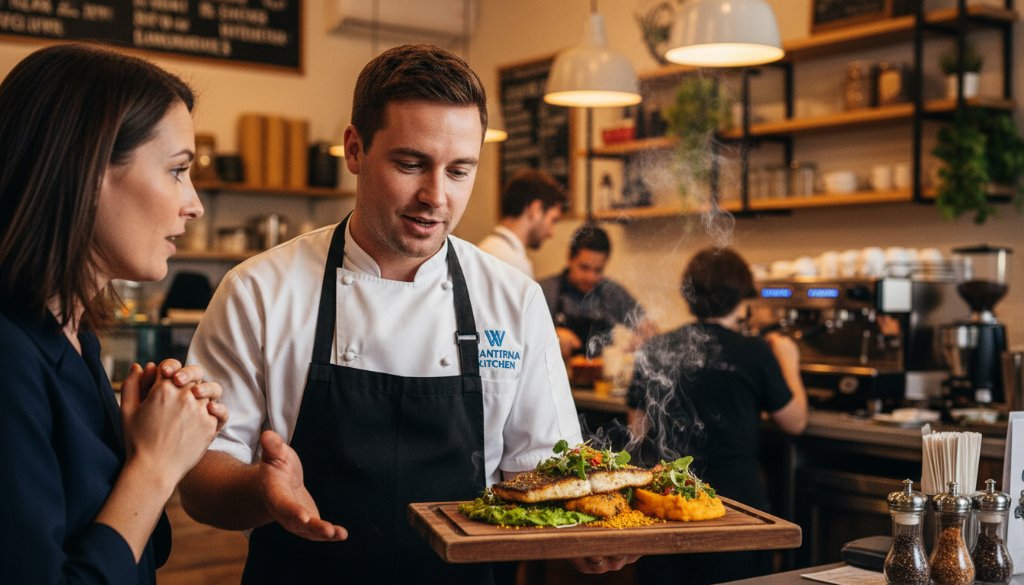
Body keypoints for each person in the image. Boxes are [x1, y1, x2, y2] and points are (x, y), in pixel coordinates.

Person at [178, 44, 632, 583]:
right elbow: (201, 479)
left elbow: (541, 470)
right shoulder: (258, 290)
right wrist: (260, 490)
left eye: (459, 171)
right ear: (354, 149)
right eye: (410, 163)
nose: (435, 197)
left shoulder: (513, 299)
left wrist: (585, 533)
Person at [0, 43, 228, 584]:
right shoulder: (8, 357)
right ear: (86, 169)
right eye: (177, 171)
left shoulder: (76, 337)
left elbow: (139, 549)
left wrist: (139, 447)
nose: (193, 203)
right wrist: (155, 468)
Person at [626, 246, 808, 585]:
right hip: (733, 507)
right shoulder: (753, 351)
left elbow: (636, 428)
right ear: (741, 298)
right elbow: (794, 421)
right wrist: (789, 360)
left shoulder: (656, 347)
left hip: (664, 502)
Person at [539, 224, 656, 359]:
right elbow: (522, 336)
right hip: (556, 376)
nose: (591, 277)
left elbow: (648, 328)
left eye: (598, 270)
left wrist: (644, 338)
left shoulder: (612, 293)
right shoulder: (545, 291)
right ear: (570, 259)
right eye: (584, 268)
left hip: (602, 378)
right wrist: (550, 337)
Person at [477, 168, 567, 278]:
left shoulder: (487, 248)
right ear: (536, 209)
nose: (551, 233)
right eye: (553, 220)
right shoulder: (512, 261)